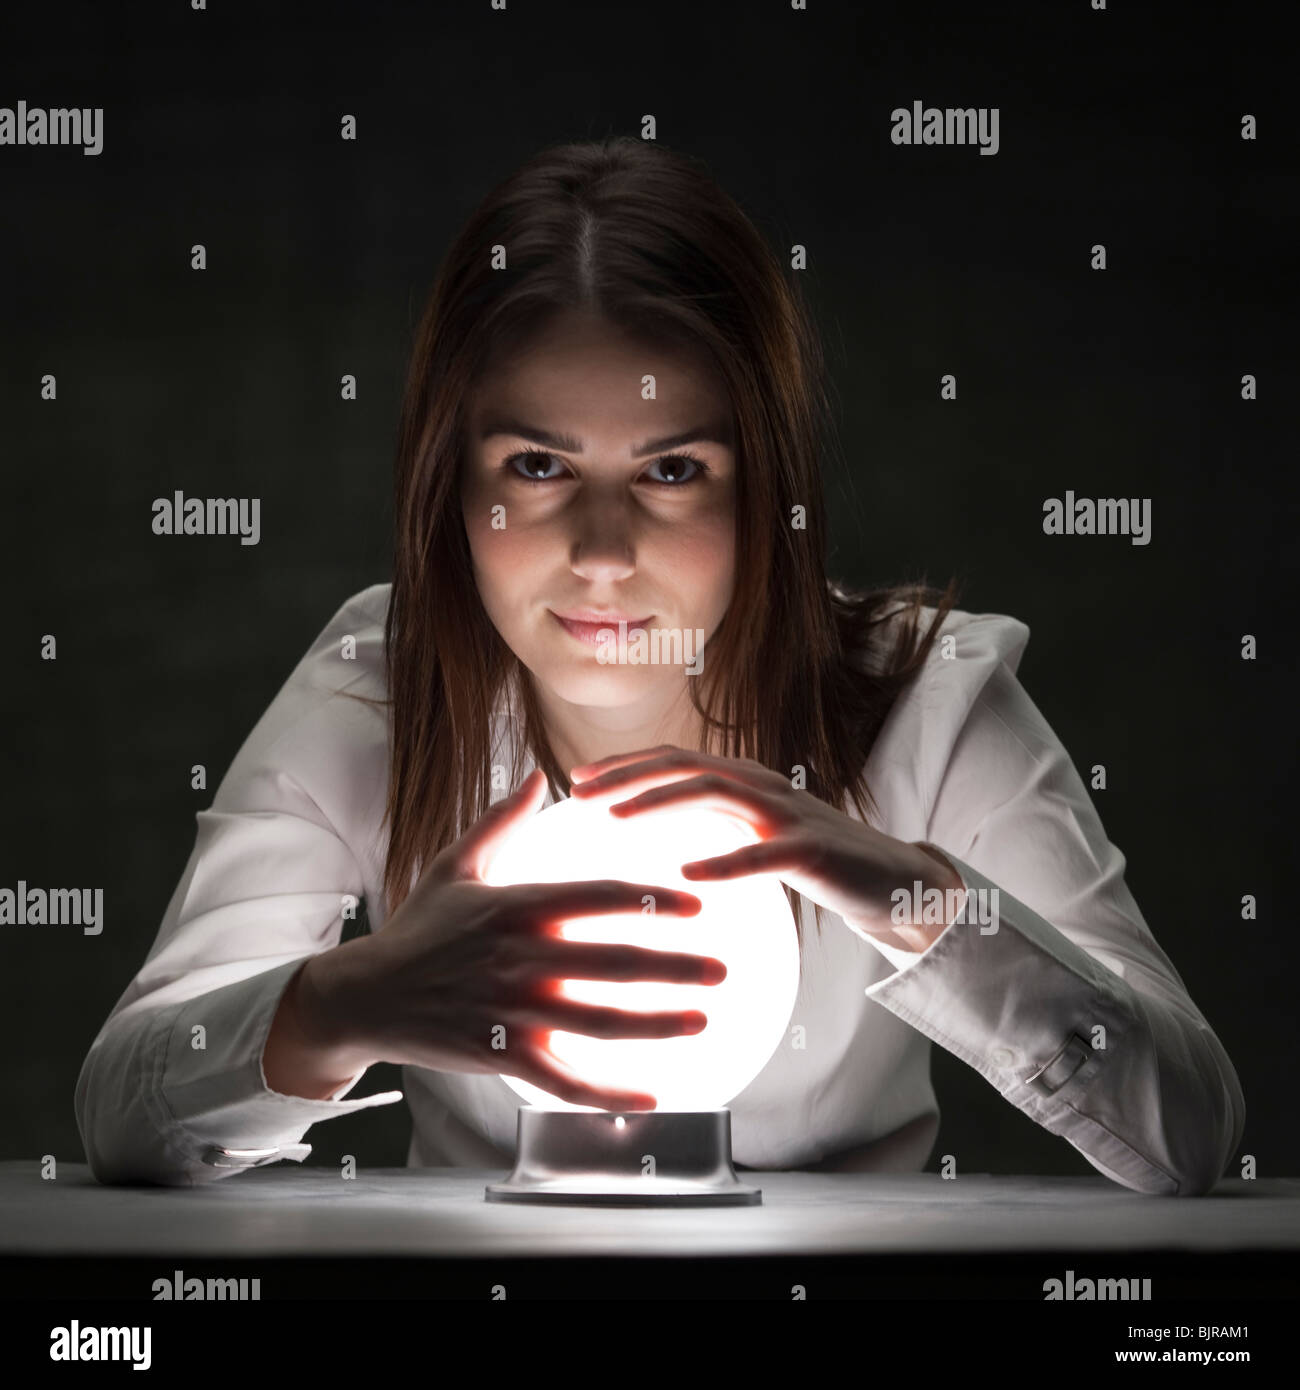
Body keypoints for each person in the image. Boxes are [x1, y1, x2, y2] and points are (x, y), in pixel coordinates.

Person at [75, 137, 1244, 1193]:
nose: (601, 554)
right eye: (538, 466)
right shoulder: (379, 685)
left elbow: (1190, 1127)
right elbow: (121, 1108)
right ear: (450, 484)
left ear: (763, 486)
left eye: (672, 471)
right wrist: (342, 1003)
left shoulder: (920, 699)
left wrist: (918, 900)